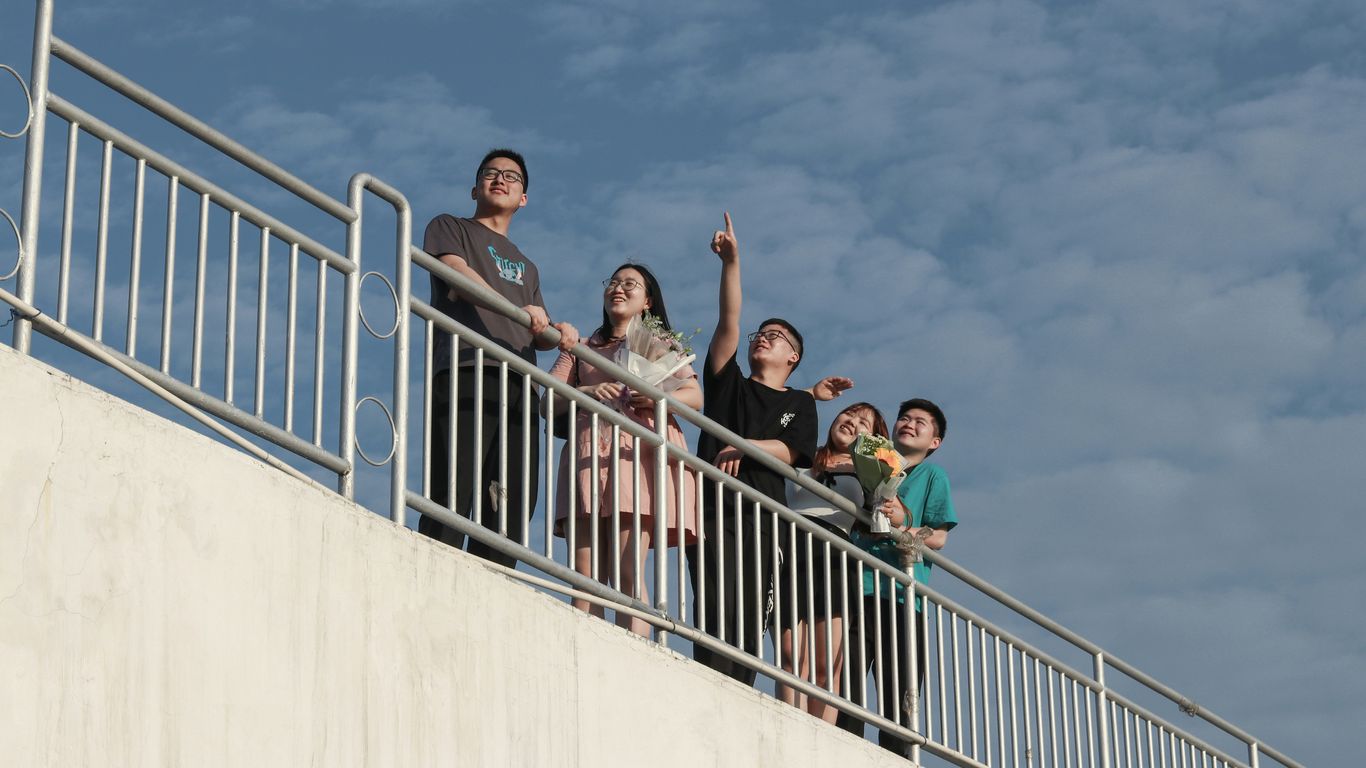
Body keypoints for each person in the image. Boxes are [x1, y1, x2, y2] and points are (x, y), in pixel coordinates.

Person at [419, 148, 579, 568]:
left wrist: (557, 330)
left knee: (510, 499)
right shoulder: (450, 227)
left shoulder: (528, 268)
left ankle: (495, 580)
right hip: (467, 366)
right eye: (491, 173)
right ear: (475, 187)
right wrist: (521, 312)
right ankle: (432, 568)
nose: (501, 179)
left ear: (523, 197)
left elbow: (537, 333)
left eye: (512, 177)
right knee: (455, 484)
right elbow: (455, 274)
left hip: (519, 382)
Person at [688, 212, 818, 685]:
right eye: (760, 334)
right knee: (713, 605)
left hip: (762, 518)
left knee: (748, 616)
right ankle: (710, 683)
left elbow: (792, 451)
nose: (763, 337)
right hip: (713, 507)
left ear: (793, 357)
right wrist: (731, 264)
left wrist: (746, 444)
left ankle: (738, 690)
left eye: (776, 336)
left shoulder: (801, 403)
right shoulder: (730, 386)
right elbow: (729, 319)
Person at [547, 263, 701, 637]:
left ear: (647, 301)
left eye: (630, 284)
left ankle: (636, 654)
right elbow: (547, 401)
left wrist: (654, 396)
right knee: (583, 575)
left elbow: (694, 397)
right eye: (613, 282)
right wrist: (585, 393)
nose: (618, 288)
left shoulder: (661, 343)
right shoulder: (581, 348)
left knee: (627, 567)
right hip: (588, 454)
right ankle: (583, 650)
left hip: (636, 458)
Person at [843, 397, 957, 757]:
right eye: (904, 418)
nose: (909, 423)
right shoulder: (870, 461)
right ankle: (844, 753)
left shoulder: (931, 475)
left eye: (920, 422)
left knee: (900, 694)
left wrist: (902, 523)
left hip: (902, 595)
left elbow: (938, 538)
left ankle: (897, 759)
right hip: (855, 584)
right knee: (848, 687)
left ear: (934, 441)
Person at [775, 401, 889, 724]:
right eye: (849, 414)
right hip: (793, 548)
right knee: (791, 655)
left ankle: (822, 740)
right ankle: (790, 725)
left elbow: (888, 517)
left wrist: (879, 481)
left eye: (863, 424)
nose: (852, 422)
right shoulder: (804, 454)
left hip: (836, 559)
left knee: (827, 665)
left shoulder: (871, 475)